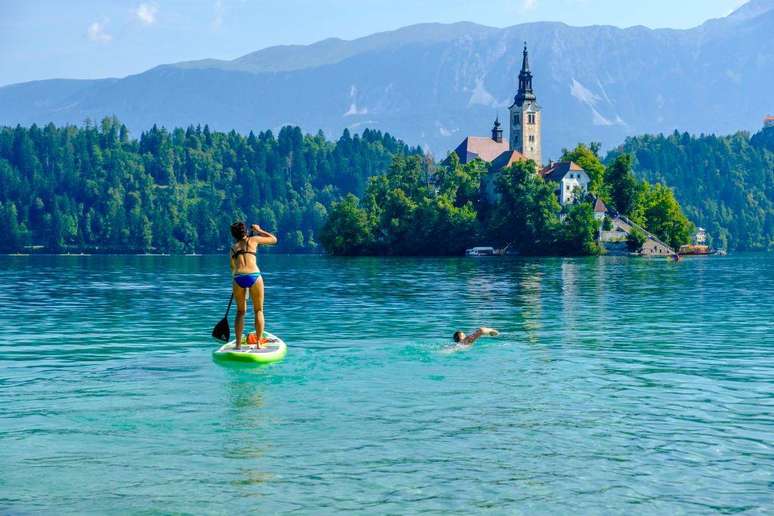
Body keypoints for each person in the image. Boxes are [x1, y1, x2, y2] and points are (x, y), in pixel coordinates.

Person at [229, 221, 278, 349]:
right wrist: (259, 229)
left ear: (234, 235)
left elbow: (233, 268)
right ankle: (258, 344)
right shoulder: (254, 240)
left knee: (240, 312)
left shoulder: (233, 248)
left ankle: (238, 345)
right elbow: (273, 239)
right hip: (254, 276)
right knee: (258, 310)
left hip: (238, 277)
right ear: (245, 231)